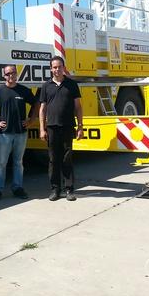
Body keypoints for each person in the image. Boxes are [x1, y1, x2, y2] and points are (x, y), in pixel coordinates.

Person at [0, 64, 38, 202]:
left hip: (21, 133)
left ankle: (17, 188)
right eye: (7, 74)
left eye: (13, 73)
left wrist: (31, 120)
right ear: (4, 76)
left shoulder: (24, 90)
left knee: (18, 162)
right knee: (1, 163)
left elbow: (37, 103)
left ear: (16, 74)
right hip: (4, 134)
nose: (10, 76)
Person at [39, 56, 84, 201]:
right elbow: (42, 109)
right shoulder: (46, 86)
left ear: (63, 68)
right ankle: (55, 190)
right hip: (52, 127)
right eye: (54, 67)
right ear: (51, 69)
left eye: (59, 67)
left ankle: (69, 190)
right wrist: (42, 128)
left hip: (68, 126)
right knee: (53, 159)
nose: (57, 70)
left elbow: (78, 107)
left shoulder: (72, 85)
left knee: (67, 158)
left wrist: (80, 127)